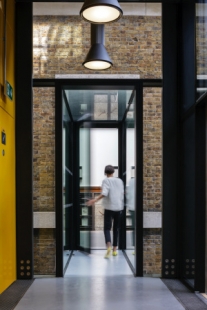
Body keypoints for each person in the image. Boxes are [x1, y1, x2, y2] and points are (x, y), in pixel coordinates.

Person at [86, 165, 124, 258]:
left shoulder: (106, 181)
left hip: (109, 208)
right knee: (116, 229)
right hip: (119, 208)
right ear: (113, 172)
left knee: (107, 228)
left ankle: (109, 247)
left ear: (105, 173)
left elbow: (104, 193)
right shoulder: (119, 181)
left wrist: (94, 200)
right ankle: (115, 250)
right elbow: (122, 193)